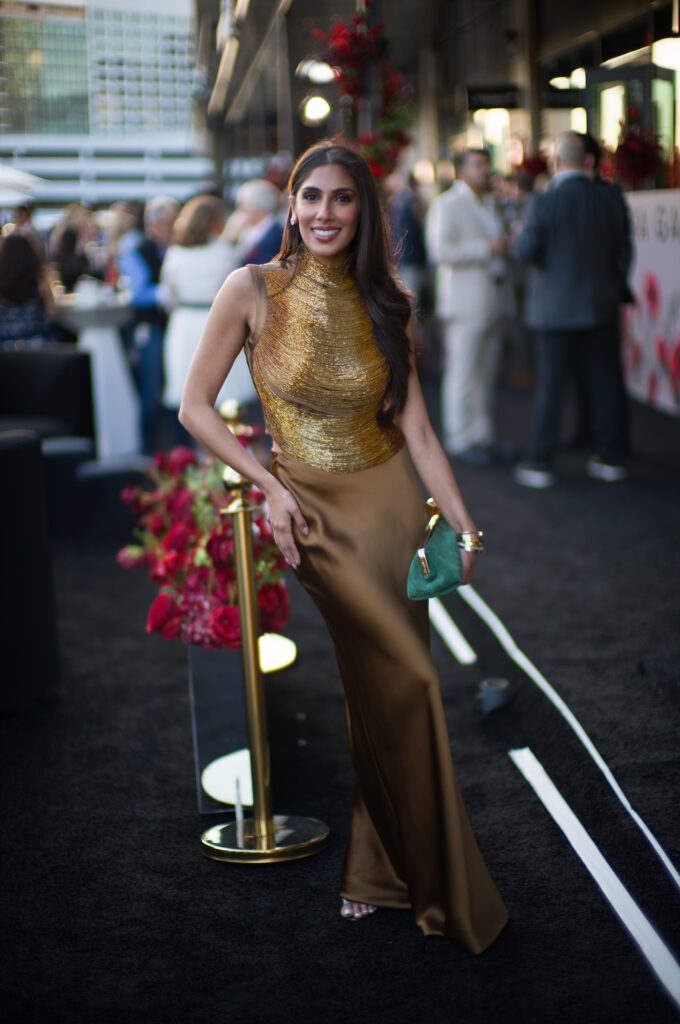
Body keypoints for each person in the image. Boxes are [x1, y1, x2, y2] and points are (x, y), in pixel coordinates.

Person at [178, 140, 509, 952]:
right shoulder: (249, 289)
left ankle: (377, 869)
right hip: (314, 516)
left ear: (364, 211)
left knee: (378, 687)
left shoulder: (387, 299)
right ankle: (440, 887)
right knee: (415, 677)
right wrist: (270, 488)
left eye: (342, 199)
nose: (325, 212)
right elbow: (196, 407)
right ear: (291, 205)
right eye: (311, 196)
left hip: (392, 503)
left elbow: (419, 429)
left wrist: (463, 525)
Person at [511, 132, 630, 488]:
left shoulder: (543, 203)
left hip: (553, 310)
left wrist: (519, 235)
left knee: (551, 386)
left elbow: (524, 253)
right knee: (606, 383)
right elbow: (624, 253)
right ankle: (610, 457)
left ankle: (541, 463)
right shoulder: (611, 199)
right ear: (588, 161)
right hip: (601, 306)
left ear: (555, 162)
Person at [426, 149, 511, 465]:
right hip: (463, 300)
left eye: (487, 163)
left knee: (486, 371)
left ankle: (481, 434)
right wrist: (487, 248)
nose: (485, 169)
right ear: (461, 170)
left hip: (492, 297)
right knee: (462, 370)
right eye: (478, 164)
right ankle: (459, 437)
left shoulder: (490, 202)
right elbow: (441, 251)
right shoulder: (447, 203)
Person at [161, 194, 254, 437]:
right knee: (226, 393)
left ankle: (205, 461)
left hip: (184, 322)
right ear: (214, 221)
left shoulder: (175, 253)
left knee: (192, 395)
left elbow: (167, 295)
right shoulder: (225, 252)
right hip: (217, 320)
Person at [118, 195, 179, 454]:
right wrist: (164, 292)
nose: (174, 228)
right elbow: (137, 293)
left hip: (172, 327)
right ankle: (148, 452)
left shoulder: (174, 248)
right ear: (154, 225)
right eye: (169, 223)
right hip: (149, 328)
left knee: (174, 388)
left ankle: (176, 450)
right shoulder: (137, 250)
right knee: (151, 391)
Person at [0, 233, 55, 345]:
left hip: (5, 346)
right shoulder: (40, 282)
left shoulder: (2, 282)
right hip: (36, 343)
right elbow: (52, 312)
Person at [235, 179, 283, 266]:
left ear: (257, 206)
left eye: (243, 205)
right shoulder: (249, 231)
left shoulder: (277, 235)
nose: (241, 210)